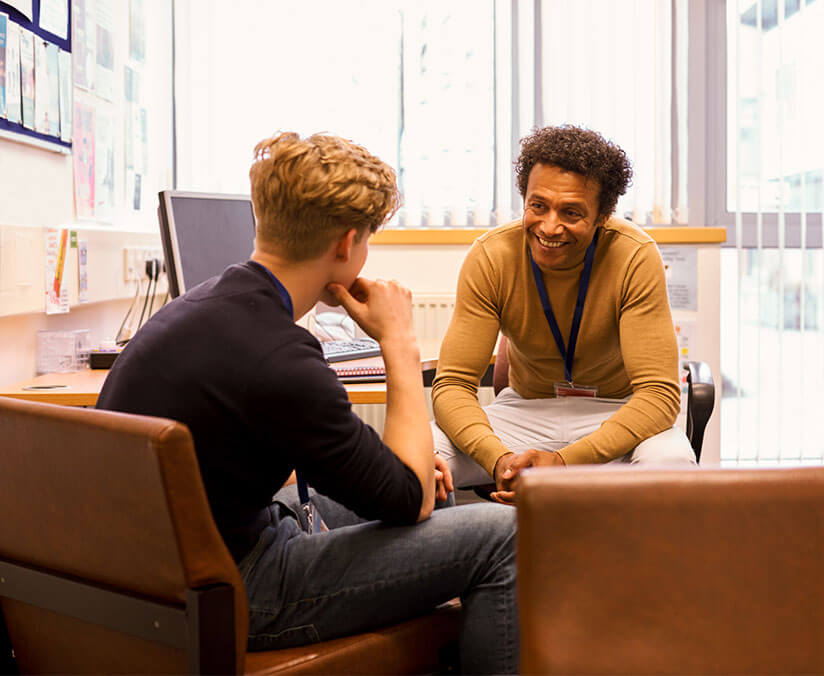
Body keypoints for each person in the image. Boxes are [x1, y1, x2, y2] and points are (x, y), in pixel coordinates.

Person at [96, 132, 517, 674]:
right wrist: (400, 344)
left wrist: (407, 479)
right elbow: (407, 499)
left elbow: (391, 481)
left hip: (161, 568)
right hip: (235, 588)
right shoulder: (280, 358)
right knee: (502, 536)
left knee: (440, 492)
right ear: (346, 245)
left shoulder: (203, 304)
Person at [432, 124, 695, 504]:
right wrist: (500, 461)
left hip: (616, 412)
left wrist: (564, 462)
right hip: (525, 413)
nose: (550, 226)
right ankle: (461, 558)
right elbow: (453, 385)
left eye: (571, 212)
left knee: (672, 466)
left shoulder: (634, 256)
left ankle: (636, 565)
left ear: (602, 215)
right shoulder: (492, 256)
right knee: (418, 456)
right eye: (538, 205)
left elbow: (658, 396)